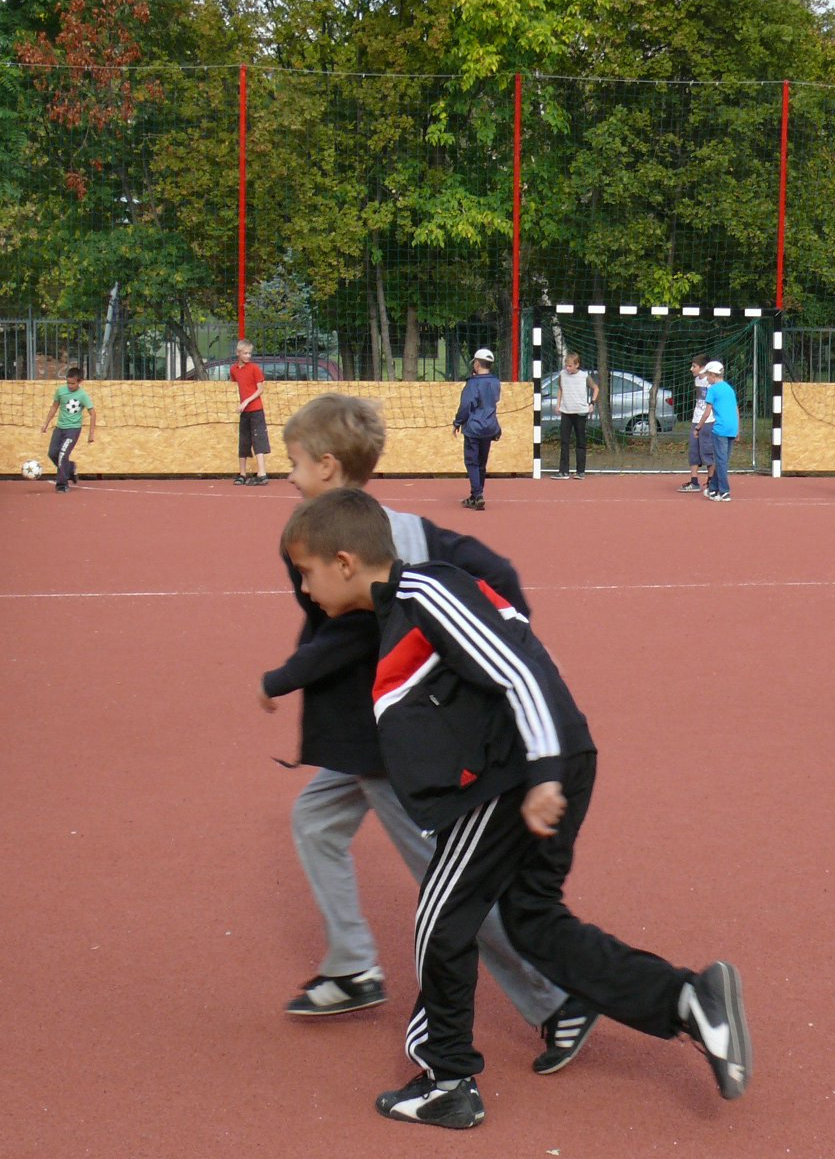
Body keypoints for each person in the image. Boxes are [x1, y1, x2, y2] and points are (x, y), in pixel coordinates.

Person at [279, 487, 752, 1131]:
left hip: (518, 776)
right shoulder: (394, 613)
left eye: (305, 572)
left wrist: (544, 773)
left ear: (342, 561)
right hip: (529, 769)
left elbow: (518, 670)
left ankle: (446, 1079)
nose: (304, 589)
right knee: (530, 921)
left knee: (441, 920)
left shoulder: (426, 593)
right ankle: (689, 1001)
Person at [258, 394, 596, 1076]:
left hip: (394, 745)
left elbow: (352, 633)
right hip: (362, 738)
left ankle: (556, 1000)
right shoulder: (391, 530)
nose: (288, 475)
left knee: (449, 886)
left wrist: (284, 675)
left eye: (294, 462)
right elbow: (495, 570)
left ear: (328, 466)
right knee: (315, 823)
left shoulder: (365, 541)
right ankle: (354, 965)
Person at [453, 348, 501, 510]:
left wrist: (457, 422)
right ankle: (475, 495)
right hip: (489, 427)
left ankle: (478, 494)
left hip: (474, 427)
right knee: (482, 462)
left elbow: (466, 405)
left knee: (472, 462)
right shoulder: (495, 382)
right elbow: (494, 401)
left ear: (478, 364)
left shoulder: (473, 384)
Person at [38, 365, 96, 493]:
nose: (70, 386)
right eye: (68, 383)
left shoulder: (83, 395)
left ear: (80, 382)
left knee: (63, 454)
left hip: (73, 429)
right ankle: (70, 468)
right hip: (60, 428)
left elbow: (93, 413)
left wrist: (91, 434)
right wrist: (46, 423)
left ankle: (62, 484)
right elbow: (54, 407)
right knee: (53, 453)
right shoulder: (60, 391)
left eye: (73, 383)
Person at [550, 351, 598, 480]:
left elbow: (595, 388)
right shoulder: (562, 375)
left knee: (580, 441)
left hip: (580, 412)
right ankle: (563, 471)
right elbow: (560, 388)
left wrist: (592, 403)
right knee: (564, 441)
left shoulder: (584, 376)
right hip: (566, 412)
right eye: (566, 365)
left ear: (577, 365)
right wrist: (558, 404)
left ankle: (580, 471)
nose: (567, 368)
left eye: (570, 366)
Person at [230, 339, 270, 486]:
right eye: (245, 353)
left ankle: (262, 474)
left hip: (256, 410)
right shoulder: (234, 369)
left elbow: (260, 389)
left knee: (258, 439)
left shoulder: (254, 368)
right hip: (244, 412)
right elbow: (234, 386)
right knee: (244, 441)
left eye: (249, 353)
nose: (248, 356)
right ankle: (242, 474)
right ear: (238, 353)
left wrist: (246, 401)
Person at [702, 359, 738, 502]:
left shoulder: (713, 389)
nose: (707, 378)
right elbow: (735, 410)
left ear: (712, 374)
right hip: (732, 427)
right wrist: (738, 429)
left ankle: (724, 491)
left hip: (721, 429)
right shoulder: (729, 388)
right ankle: (712, 489)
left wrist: (698, 427)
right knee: (722, 460)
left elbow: (707, 412)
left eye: (708, 376)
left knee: (721, 461)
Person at [678, 356, 714, 493]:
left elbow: (710, 405)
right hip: (696, 418)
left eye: (694, 366)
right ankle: (694, 481)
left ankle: (711, 481)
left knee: (709, 451)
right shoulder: (697, 380)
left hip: (709, 420)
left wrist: (702, 422)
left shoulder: (710, 382)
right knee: (694, 450)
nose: (691, 369)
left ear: (703, 367)